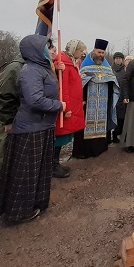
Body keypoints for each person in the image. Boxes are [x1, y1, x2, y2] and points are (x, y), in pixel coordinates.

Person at [0, 34, 65, 223]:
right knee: (26, 172)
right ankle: (18, 211)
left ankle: (36, 202)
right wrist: (59, 106)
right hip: (31, 128)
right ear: (37, 51)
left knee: (38, 169)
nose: (53, 51)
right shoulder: (31, 70)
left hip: (42, 126)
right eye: (49, 48)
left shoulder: (42, 69)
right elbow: (34, 99)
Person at [73, 39, 119, 158]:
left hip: (103, 102)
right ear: (93, 52)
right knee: (85, 125)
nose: (101, 55)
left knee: (102, 123)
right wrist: (82, 99)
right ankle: (83, 151)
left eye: (103, 53)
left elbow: (113, 82)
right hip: (87, 102)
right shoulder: (85, 66)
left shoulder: (106, 67)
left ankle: (100, 148)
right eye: (99, 52)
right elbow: (80, 84)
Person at [52, 40, 87, 178]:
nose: (82, 53)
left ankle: (56, 163)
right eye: (80, 50)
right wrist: (64, 108)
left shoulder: (72, 62)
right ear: (73, 50)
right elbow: (63, 88)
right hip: (65, 106)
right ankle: (53, 165)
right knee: (59, 137)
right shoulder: (63, 64)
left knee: (64, 136)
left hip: (72, 104)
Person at [0, 53, 25, 183]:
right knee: (6, 153)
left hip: (20, 119)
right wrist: (8, 121)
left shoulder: (27, 66)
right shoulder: (14, 68)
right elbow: (4, 98)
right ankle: (0, 187)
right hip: (11, 120)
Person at [111, 51, 127, 143]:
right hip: (114, 97)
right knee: (114, 117)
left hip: (123, 96)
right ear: (114, 59)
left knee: (122, 118)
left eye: (120, 58)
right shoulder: (110, 69)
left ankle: (121, 133)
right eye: (116, 58)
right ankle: (113, 135)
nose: (118, 60)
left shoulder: (125, 70)